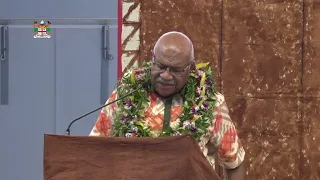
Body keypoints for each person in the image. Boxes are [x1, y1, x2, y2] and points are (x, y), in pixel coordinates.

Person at [89, 31, 246, 180]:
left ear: (191, 68)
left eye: (176, 70)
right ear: (153, 58)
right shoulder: (124, 96)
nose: (165, 75)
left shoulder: (211, 103)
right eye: (160, 66)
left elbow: (235, 162)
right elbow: (94, 150)